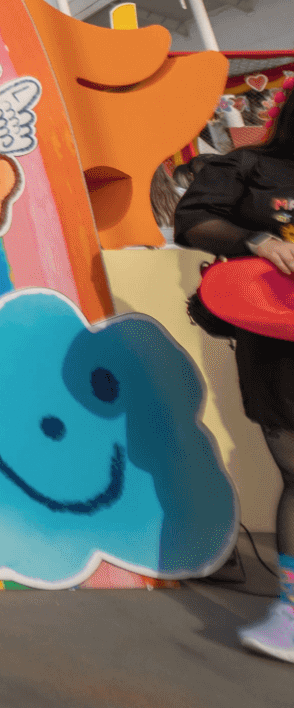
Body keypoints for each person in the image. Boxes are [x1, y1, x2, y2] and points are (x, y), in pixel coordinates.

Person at [177, 105, 294, 663]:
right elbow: (192, 221)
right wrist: (258, 240)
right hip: (278, 345)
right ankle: (291, 617)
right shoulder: (248, 167)